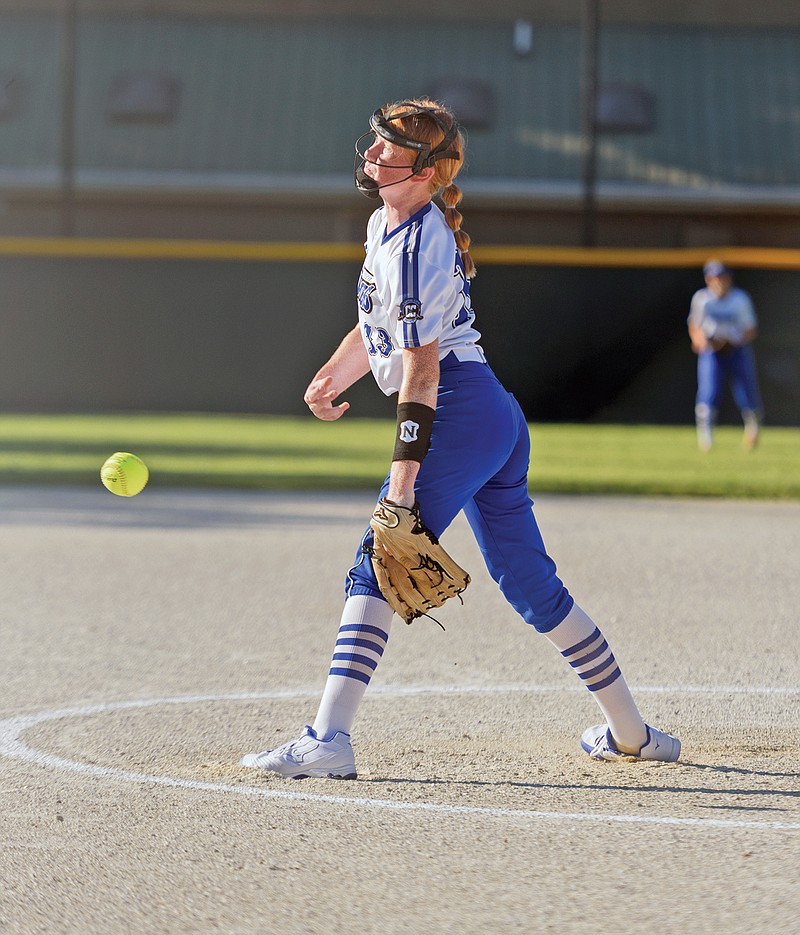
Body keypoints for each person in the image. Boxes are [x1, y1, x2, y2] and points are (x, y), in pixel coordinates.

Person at [240, 99, 680, 779]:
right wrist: (331, 374)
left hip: (459, 410)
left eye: (389, 150)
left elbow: (420, 367)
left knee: (378, 558)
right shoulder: (386, 224)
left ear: (428, 171)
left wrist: (405, 478)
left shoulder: (421, 239)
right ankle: (631, 732)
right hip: (490, 413)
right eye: (375, 145)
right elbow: (377, 327)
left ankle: (328, 738)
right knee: (528, 581)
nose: (372, 157)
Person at [688, 260, 763, 452]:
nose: (719, 282)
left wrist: (732, 340)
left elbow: (751, 329)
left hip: (736, 349)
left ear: (729, 279)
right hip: (712, 351)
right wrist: (701, 341)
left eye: (722, 277)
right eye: (714, 278)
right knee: (708, 391)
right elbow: (695, 326)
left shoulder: (740, 299)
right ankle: (706, 439)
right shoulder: (702, 299)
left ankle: (753, 429)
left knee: (746, 392)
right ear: (708, 279)